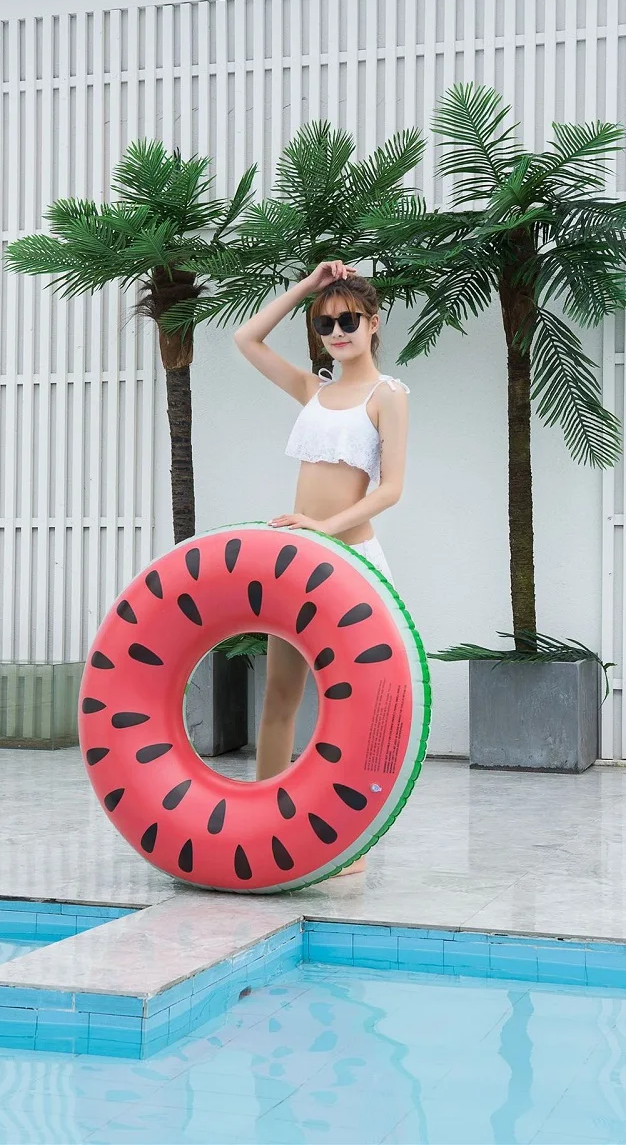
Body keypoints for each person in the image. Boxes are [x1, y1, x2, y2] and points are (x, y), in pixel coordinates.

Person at [232, 259, 410, 873]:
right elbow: (245, 339)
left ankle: (349, 838)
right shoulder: (315, 390)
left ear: (373, 322)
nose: (337, 331)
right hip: (300, 558)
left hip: (351, 561)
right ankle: (261, 821)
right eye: (325, 323)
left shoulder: (388, 397)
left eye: (348, 319)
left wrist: (324, 531)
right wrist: (306, 287)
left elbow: (390, 491)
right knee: (281, 694)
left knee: (353, 706)